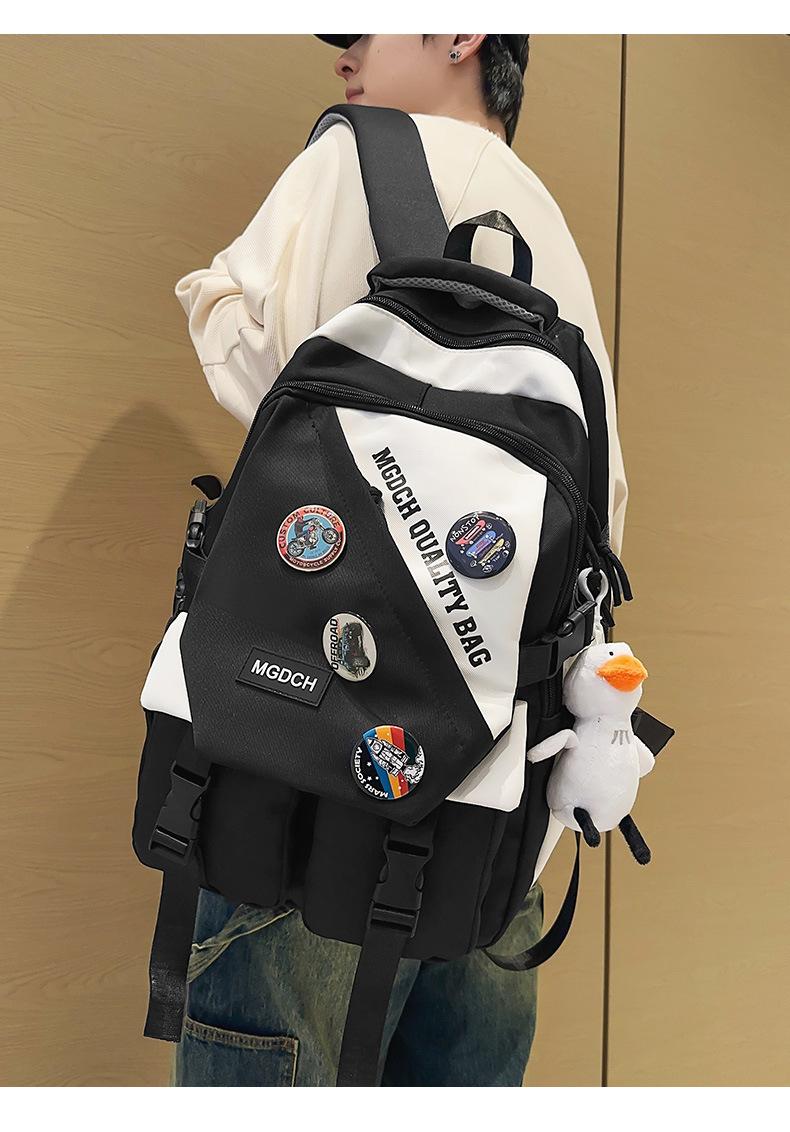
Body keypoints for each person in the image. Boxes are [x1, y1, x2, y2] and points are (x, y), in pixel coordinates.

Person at [170, 33, 628, 1088]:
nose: (342, 55)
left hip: (314, 778)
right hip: (502, 808)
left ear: (461, 31)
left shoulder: (357, 153)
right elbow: (600, 514)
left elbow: (247, 357)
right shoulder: (550, 227)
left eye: (361, 28)